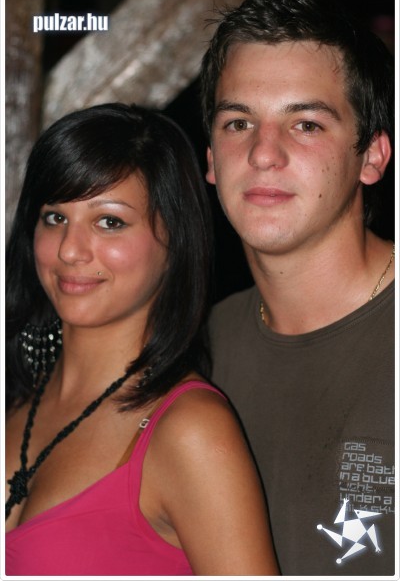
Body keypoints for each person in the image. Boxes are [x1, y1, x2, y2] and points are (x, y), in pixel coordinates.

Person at [5, 103, 279, 576]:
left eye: (109, 221)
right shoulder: (15, 392)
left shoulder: (189, 432)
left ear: (174, 241)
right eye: (54, 218)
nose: (70, 250)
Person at [201, 0, 394, 576]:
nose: (263, 153)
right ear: (210, 160)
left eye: (306, 124)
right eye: (238, 122)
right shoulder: (200, 344)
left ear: (372, 156)